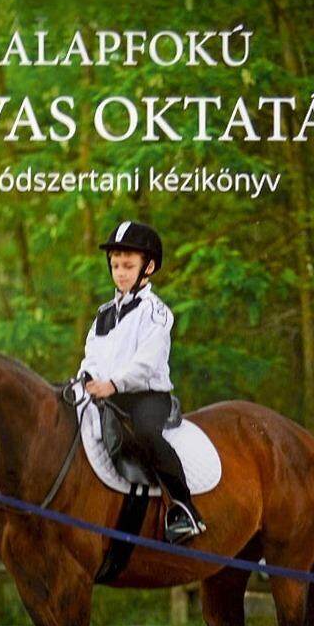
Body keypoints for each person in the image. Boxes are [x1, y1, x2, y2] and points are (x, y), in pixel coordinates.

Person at [78, 220, 206, 543]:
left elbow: (145, 363)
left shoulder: (156, 313)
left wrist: (113, 384)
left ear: (147, 268)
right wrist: (88, 377)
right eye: (115, 266)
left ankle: (184, 508)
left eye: (128, 266)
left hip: (146, 397)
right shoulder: (104, 314)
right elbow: (92, 354)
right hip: (107, 394)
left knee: (147, 433)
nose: (120, 273)